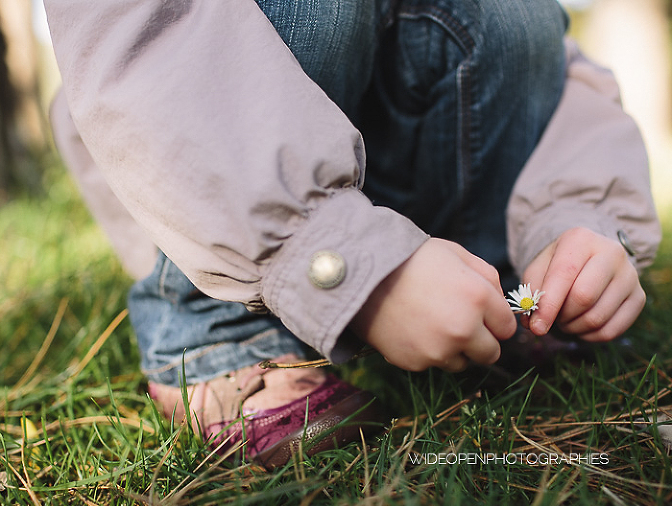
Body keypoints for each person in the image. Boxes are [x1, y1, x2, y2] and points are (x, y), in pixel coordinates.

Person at [44, 0, 661, 468]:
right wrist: (340, 259)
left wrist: (577, 210)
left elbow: (556, 58)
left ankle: (491, 296)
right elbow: (149, 42)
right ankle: (225, 339)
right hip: (223, 205)